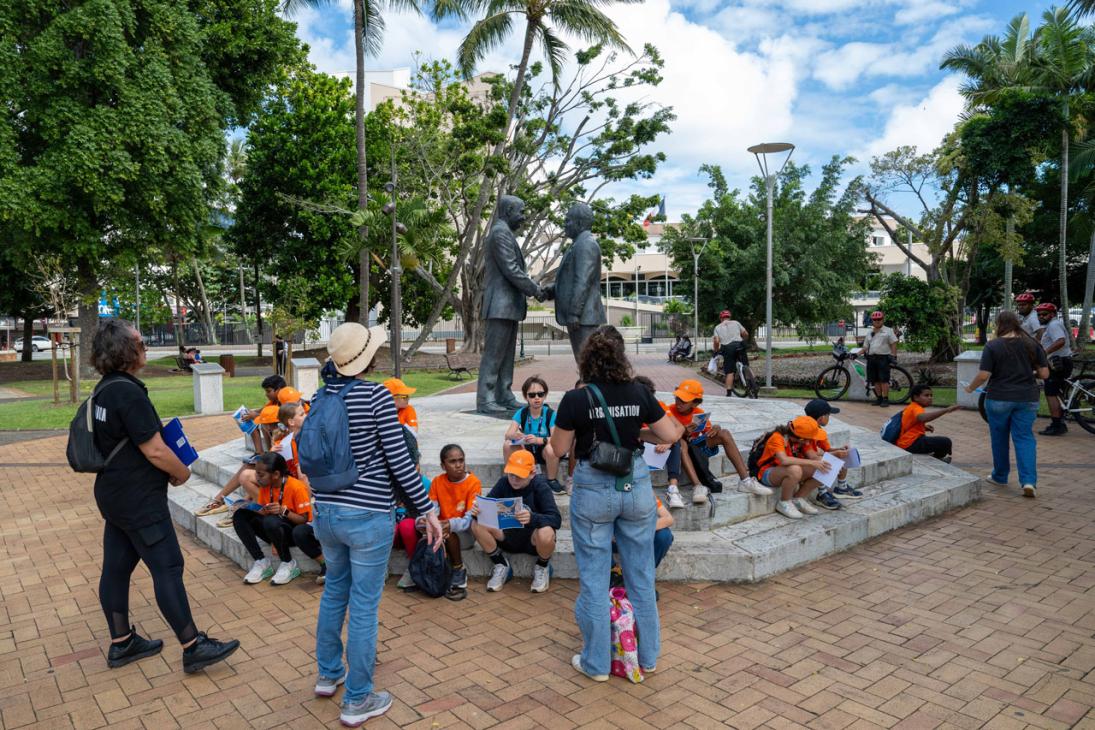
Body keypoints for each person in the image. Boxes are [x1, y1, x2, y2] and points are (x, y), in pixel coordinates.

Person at [310, 322, 442, 727]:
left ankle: (329, 674)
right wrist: (426, 509)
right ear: (367, 357)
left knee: (335, 591)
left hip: (326, 513)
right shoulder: (376, 396)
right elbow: (401, 462)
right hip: (366, 516)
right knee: (364, 605)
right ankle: (358, 699)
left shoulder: (320, 395)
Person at [89, 319, 239, 674]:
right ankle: (192, 645)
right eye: (140, 343)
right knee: (168, 565)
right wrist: (181, 471)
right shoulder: (128, 392)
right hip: (138, 499)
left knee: (117, 567)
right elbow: (155, 450)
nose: (145, 348)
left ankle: (122, 642)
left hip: (114, 494)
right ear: (125, 350)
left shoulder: (106, 389)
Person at [549, 325, 684, 681]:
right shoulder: (638, 391)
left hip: (594, 488)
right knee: (641, 576)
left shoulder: (576, 399)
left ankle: (596, 664)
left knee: (594, 580)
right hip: (634, 484)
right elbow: (670, 434)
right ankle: (648, 657)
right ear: (622, 356)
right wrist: (636, 429)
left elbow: (559, 450)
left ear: (587, 359)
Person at [964, 310, 1049, 498]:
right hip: (1027, 398)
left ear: (999, 324)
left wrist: (970, 388)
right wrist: (1029, 372)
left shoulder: (993, 346)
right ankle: (1028, 481)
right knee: (1025, 438)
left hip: (999, 397)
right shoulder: (1032, 344)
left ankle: (1000, 476)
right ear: (1017, 323)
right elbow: (1044, 374)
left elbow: (984, 375)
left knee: (999, 438)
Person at [664, 379, 772, 505]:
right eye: (677, 398)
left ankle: (745, 480)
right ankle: (698, 486)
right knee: (682, 444)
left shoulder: (698, 413)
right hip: (679, 446)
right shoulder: (669, 411)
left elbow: (706, 432)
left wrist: (715, 429)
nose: (679, 403)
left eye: (684, 400)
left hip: (695, 446)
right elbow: (667, 435)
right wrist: (683, 432)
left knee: (724, 433)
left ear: (695, 403)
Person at [469, 450, 561, 593]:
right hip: (506, 536)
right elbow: (487, 508)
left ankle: (542, 566)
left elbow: (556, 519)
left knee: (547, 531)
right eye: (512, 474)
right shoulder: (503, 483)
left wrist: (532, 518)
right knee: (476, 524)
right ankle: (500, 564)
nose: (514, 480)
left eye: (520, 476)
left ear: (532, 474)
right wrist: (477, 512)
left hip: (533, 540)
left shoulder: (540, 486)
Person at [234, 452, 319, 586]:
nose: (257, 478)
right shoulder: (265, 486)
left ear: (276, 475)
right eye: (256, 473)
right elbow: (265, 511)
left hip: (291, 532)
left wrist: (283, 511)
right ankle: (261, 561)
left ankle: (288, 562)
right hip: (273, 528)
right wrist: (258, 511)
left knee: (271, 521)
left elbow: (304, 520)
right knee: (240, 515)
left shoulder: (296, 487)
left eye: (261, 475)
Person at [426, 444, 482, 596]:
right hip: (442, 530)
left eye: (461, 460)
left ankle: (458, 569)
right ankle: (419, 569)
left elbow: (469, 519)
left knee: (448, 532)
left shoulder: (473, 483)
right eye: (452, 461)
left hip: (465, 534)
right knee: (423, 528)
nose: (458, 465)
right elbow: (433, 510)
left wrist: (449, 524)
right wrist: (431, 524)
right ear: (443, 466)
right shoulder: (437, 482)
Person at [754, 416, 833, 520]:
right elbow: (784, 460)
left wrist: (833, 458)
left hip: (788, 471)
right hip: (767, 473)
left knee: (826, 467)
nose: (809, 442)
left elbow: (813, 457)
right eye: (809, 439)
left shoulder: (803, 441)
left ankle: (798, 498)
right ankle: (784, 502)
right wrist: (812, 463)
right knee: (795, 469)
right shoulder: (777, 437)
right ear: (801, 438)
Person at [503, 375, 564, 494]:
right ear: (526, 397)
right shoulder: (522, 412)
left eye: (540, 394)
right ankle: (510, 476)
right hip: (527, 449)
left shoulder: (550, 414)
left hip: (543, 450)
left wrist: (538, 440)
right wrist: (515, 436)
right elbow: (508, 434)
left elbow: (556, 438)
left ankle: (551, 480)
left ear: (545, 395)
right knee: (507, 445)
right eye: (532, 395)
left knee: (551, 449)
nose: (536, 398)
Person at [802, 399, 860, 509]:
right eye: (828, 415)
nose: (829, 418)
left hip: (813, 459)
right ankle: (822, 494)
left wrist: (840, 450)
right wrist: (835, 454)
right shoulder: (806, 431)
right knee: (822, 460)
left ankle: (842, 488)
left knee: (841, 455)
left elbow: (828, 450)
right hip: (806, 463)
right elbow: (811, 456)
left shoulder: (820, 431)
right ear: (822, 418)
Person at [1035, 303, 1073, 436]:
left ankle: (1057, 425)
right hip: (1061, 362)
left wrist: (1044, 353)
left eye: (1044, 314)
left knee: (1050, 393)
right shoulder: (1051, 325)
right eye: (1039, 314)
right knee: (1057, 392)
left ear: (1052, 314)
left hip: (1058, 363)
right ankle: (1060, 422)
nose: (1041, 316)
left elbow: (1060, 341)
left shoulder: (1053, 325)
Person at [896, 385, 960, 462]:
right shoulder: (916, 408)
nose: (930, 398)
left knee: (936, 441)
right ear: (916, 397)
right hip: (910, 444)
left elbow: (909, 424)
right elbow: (923, 418)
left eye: (931, 395)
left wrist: (924, 427)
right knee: (945, 442)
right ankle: (938, 459)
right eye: (926, 395)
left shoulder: (911, 407)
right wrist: (946, 410)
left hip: (905, 442)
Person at [237, 375, 287, 454]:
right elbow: (261, 410)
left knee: (264, 423)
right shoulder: (274, 401)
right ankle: (259, 452)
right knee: (253, 419)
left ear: (279, 390)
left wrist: (254, 416)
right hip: (277, 429)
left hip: (285, 430)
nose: (266, 394)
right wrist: (248, 413)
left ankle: (271, 452)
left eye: (268, 391)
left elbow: (279, 420)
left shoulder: (286, 402)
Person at [863, 311, 899, 407]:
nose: (877, 321)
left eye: (879, 319)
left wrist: (894, 356)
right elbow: (865, 347)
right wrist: (855, 354)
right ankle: (879, 398)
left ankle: (885, 399)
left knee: (884, 380)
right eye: (875, 319)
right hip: (871, 358)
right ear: (872, 321)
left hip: (883, 358)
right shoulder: (869, 332)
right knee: (875, 380)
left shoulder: (888, 330)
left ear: (883, 320)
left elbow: (894, 343)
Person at [713, 310, 748, 397]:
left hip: (728, 348)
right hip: (739, 345)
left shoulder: (717, 327)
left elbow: (717, 341)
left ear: (721, 318)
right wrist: (744, 341)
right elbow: (745, 333)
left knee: (730, 372)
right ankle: (752, 383)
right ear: (729, 317)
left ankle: (729, 393)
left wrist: (716, 350)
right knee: (746, 365)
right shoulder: (736, 323)